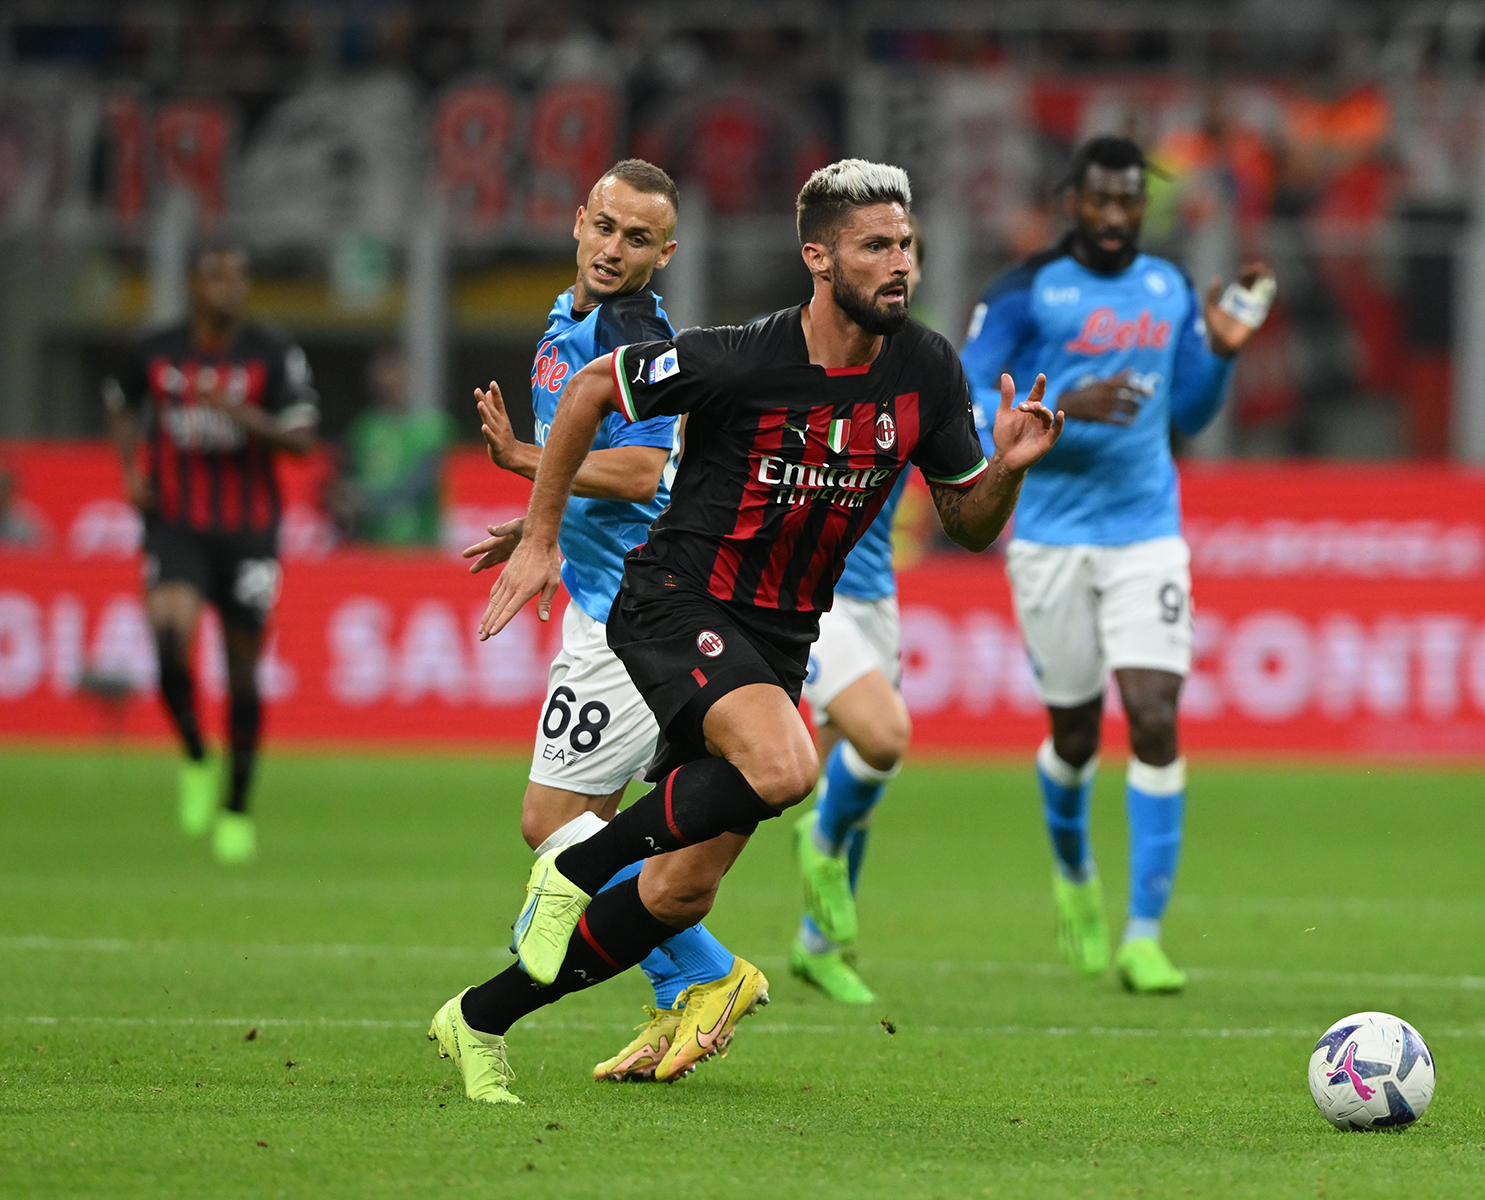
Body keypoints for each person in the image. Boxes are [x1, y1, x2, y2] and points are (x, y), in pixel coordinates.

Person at [427, 159, 1062, 1104]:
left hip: (780, 637)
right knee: (787, 765)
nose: (900, 264)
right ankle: (577, 872)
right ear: (818, 258)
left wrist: (1006, 468)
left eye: (906, 246)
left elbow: (968, 525)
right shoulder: (743, 355)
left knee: (679, 892)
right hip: (676, 600)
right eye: (875, 246)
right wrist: (543, 534)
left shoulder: (927, 370)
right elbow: (595, 393)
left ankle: (479, 1018)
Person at [455, 159, 759, 1086]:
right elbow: (600, 473)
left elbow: (638, 472)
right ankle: (681, 987)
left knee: (554, 820)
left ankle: (709, 974)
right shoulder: (567, 319)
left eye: (639, 239)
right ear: (579, 222)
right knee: (603, 829)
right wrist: (536, 519)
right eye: (605, 227)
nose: (615, 250)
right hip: (607, 593)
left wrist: (525, 460)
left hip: (632, 611)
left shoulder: (634, 333)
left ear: (666, 254)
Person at [960, 135, 1272, 993]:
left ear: (1143, 204)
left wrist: (1222, 350)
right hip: (1050, 536)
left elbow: (1190, 414)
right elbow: (967, 395)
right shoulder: (1026, 290)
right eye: (1097, 199)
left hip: (1145, 531)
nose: (1111, 215)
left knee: (1155, 716)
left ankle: (1144, 935)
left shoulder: (1168, 287)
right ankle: (1073, 870)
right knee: (1073, 734)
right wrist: (1061, 404)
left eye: (1127, 200)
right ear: (1072, 202)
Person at [105, 241, 317, 865]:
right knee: (170, 642)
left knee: (242, 672)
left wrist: (242, 414)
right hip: (175, 524)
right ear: (194, 285)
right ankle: (197, 752)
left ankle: (236, 808)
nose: (234, 288)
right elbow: (120, 402)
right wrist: (131, 470)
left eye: (241, 277)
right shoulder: (155, 349)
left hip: (249, 532)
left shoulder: (271, 353)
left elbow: (303, 440)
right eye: (220, 277)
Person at [786, 474, 914, 1004]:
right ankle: (821, 836)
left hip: (875, 593)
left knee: (857, 782)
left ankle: (817, 948)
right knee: (882, 738)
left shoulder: (922, 411)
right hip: (801, 583)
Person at [341, 346, 451, 547]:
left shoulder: (429, 427)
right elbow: (344, 476)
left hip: (418, 546)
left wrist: (365, 502)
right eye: (380, 373)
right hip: (371, 544)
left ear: (407, 375)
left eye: (393, 372)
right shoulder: (363, 427)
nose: (386, 381)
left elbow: (418, 486)